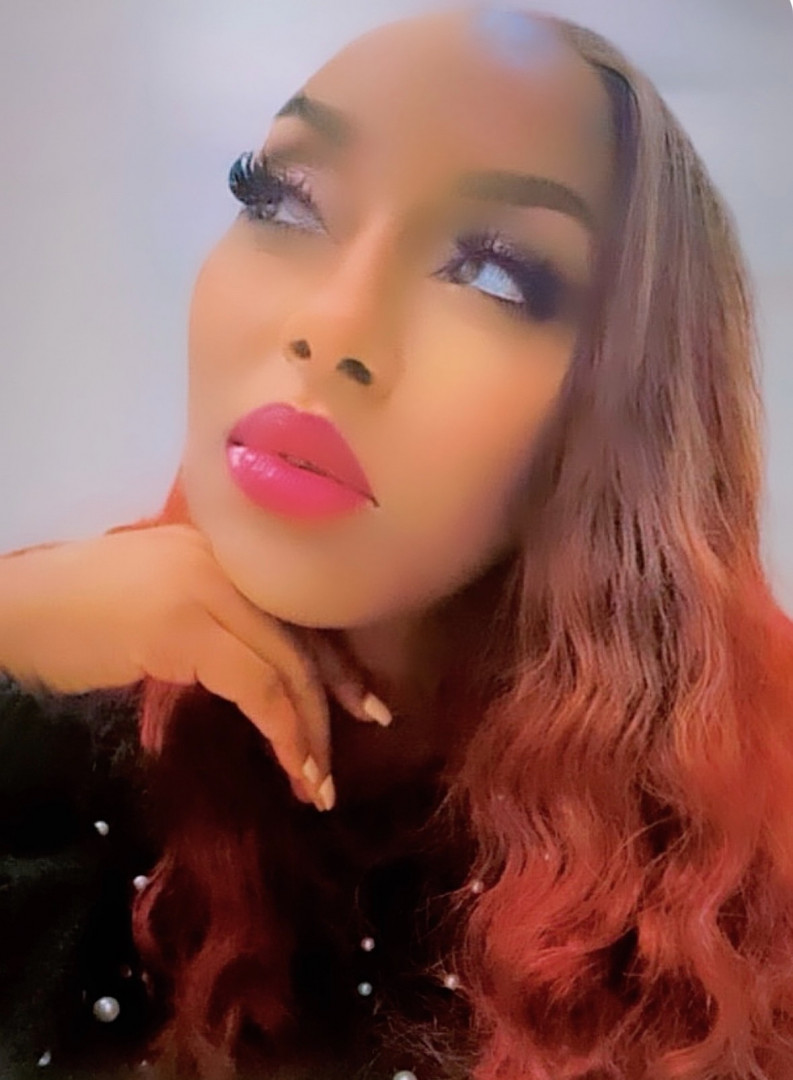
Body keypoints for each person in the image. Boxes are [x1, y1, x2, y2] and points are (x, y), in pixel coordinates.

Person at [1, 5, 792, 1079]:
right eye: (283, 200)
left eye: (494, 272)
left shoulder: (749, 886)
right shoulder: (65, 738)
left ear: (629, 415)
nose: (332, 324)